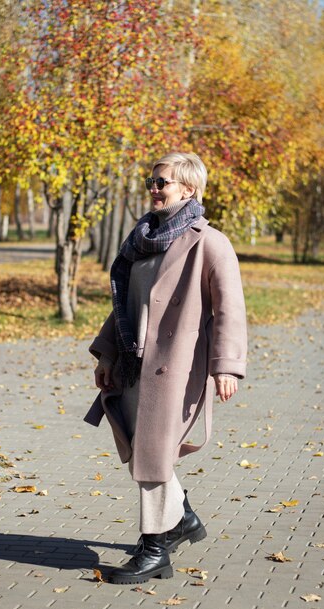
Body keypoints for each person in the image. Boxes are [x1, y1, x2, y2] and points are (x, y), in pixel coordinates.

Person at [84, 152, 247, 585]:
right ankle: (183, 518)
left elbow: (231, 308)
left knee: (152, 455)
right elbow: (127, 303)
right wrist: (108, 355)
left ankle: (155, 548)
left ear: (188, 189)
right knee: (142, 449)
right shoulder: (141, 238)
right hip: (136, 364)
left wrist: (226, 367)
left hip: (177, 367)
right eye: (152, 181)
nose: (153, 189)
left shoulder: (209, 242)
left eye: (163, 183)